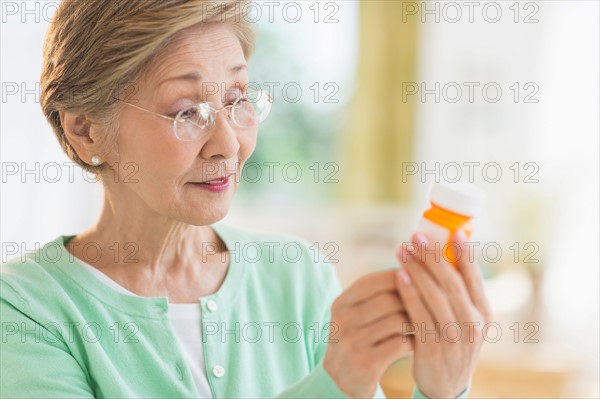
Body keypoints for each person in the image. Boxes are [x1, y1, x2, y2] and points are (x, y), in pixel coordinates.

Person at [0, 1, 491, 398]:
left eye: (237, 99)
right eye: (187, 111)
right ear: (85, 130)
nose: (230, 144)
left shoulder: (297, 277)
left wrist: (443, 389)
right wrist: (332, 385)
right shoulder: (25, 311)